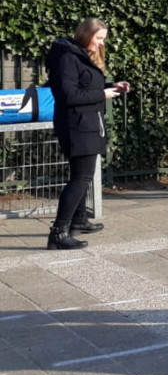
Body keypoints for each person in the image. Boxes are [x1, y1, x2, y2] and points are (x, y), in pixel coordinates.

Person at [44, 18, 130, 250]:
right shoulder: (67, 58)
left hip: (87, 122)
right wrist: (103, 95)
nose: (101, 43)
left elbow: (86, 86)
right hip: (76, 125)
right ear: (85, 34)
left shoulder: (78, 55)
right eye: (98, 38)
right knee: (81, 178)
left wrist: (112, 85)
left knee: (82, 176)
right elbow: (68, 96)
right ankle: (59, 233)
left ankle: (79, 220)